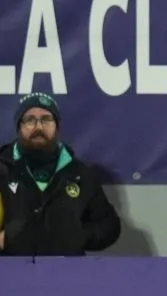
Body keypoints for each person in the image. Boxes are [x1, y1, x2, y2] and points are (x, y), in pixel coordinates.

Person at [0, 93, 121, 256]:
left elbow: (109, 225)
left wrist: (79, 236)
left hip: (66, 275)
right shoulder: (3, 168)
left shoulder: (80, 173)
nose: (38, 127)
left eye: (46, 119)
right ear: (19, 127)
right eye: (29, 120)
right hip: (10, 274)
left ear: (57, 127)